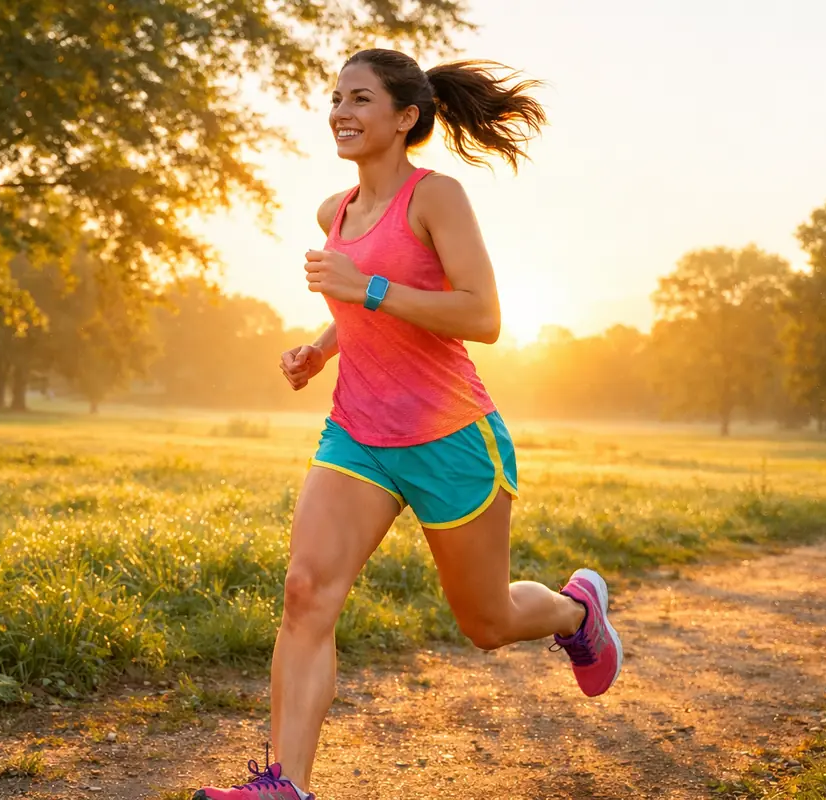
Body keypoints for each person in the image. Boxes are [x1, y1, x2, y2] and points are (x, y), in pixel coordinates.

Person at [193, 48, 622, 800]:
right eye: (335, 98)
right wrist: (321, 348)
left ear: (405, 117)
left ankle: (574, 612)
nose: (340, 112)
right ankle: (283, 786)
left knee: (485, 622)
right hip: (357, 434)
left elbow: (481, 316)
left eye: (359, 99)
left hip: (451, 437)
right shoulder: (336, 212)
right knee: (305, 592)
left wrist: (368, 286)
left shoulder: (436, 198)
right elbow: (357, 304)